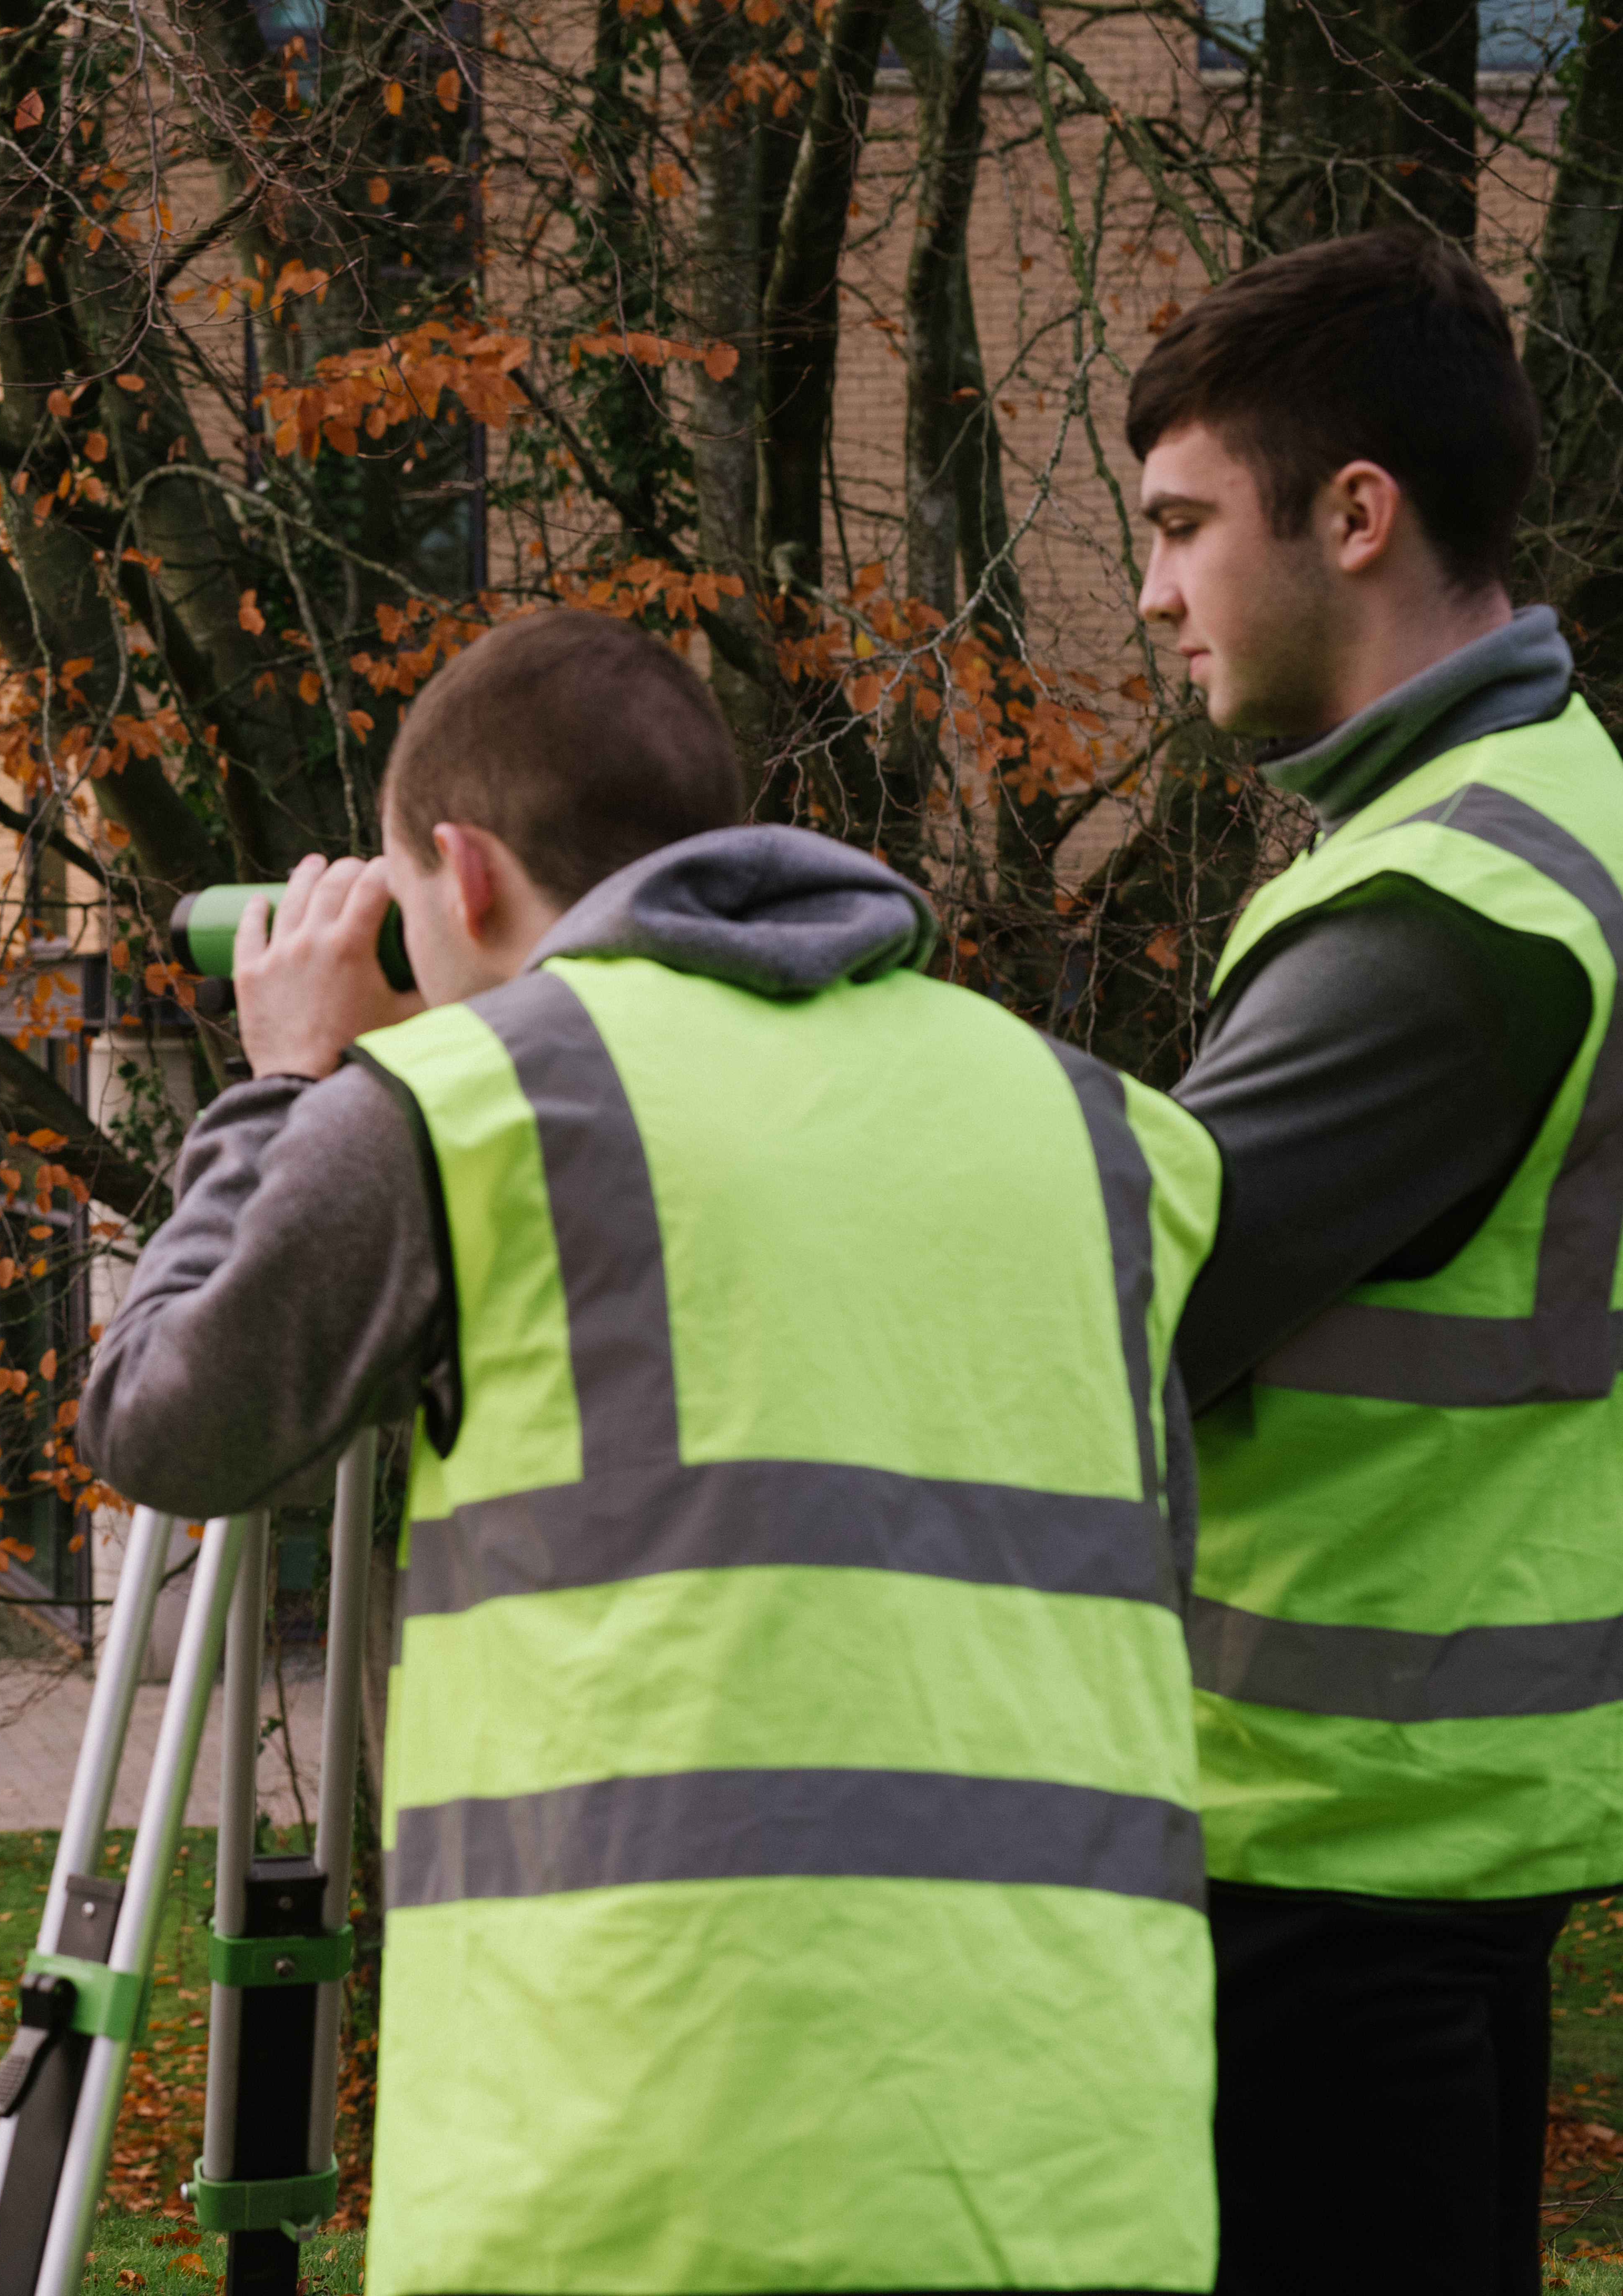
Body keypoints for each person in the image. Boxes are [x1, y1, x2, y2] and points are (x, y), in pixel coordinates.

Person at [78, 610, 1225, 2295]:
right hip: (1067, 2151)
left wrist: (280, 1080)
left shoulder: (470, 1103)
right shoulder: (1099, 1127)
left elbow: (168, 1417)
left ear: (459, 877)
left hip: (647, 2150)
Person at [1131, 230, 1620, 2296]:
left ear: (1356, 514)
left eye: (1180, 525)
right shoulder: (1510, 815)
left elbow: (1119, 1300)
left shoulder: (1451, 907)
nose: (1151, 590)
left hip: (1331, 1844)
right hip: (1422, 1824)